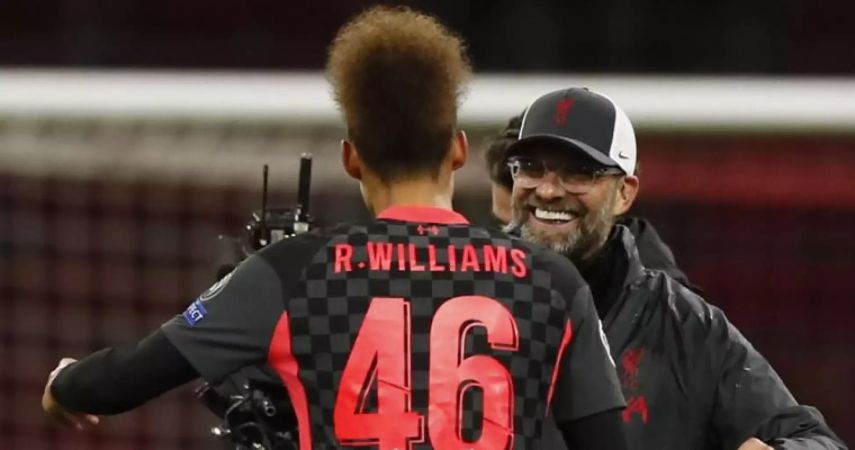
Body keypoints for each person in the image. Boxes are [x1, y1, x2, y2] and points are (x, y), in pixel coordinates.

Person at [41, 7, 630, 449]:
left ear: (351, 158)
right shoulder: (552, 282)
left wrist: (68, 385)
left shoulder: (294, 271)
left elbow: (125, 378)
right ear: (458, 150)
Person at [501, 87, 847, 450]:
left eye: (579, 173)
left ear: (625, 193)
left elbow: (816, 441)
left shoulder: (684, 328)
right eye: (530, 168)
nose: (548, 190)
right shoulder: (466, 287)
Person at [483, 112, 693, 288]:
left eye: (578, 174)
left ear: (622, 193)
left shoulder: (667, 314)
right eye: (505, 226)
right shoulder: (496, 284)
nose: (512, 238)